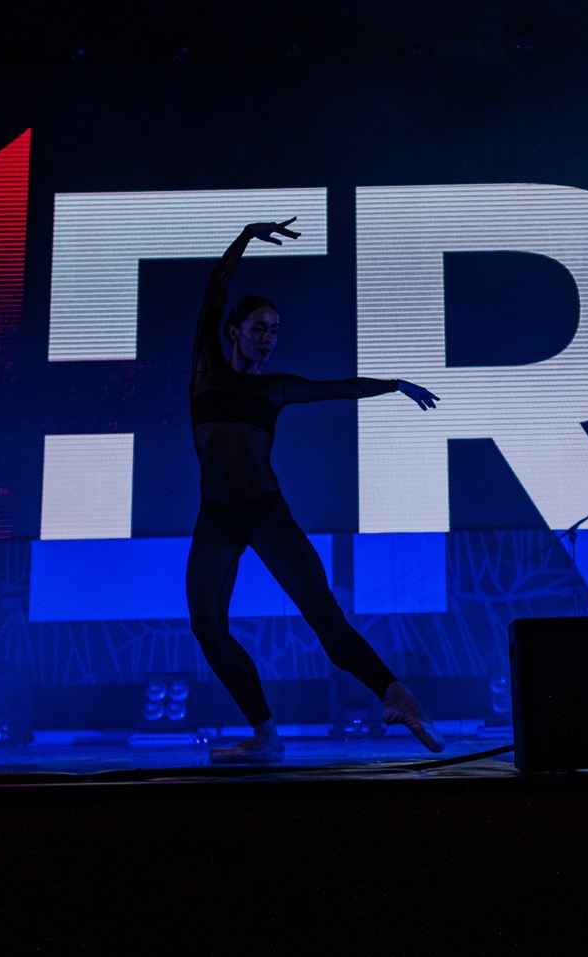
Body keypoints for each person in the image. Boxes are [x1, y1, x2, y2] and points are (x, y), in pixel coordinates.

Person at [187, 217, 444, 763]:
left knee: (324, 617)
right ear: (233, 331)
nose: (268, 338)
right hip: (216, 517)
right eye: (259, 327)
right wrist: (245, 237)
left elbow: (339, 388)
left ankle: (397, 694)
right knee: (207, 626)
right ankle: (266, 735)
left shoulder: (276, 389)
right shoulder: (205, 368)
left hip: (264, 513)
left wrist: (394, 384)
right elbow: (214, 289)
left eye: (275, 331)